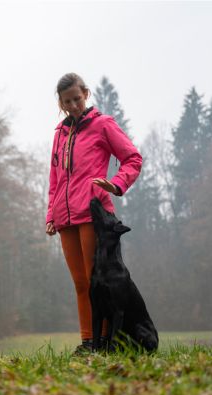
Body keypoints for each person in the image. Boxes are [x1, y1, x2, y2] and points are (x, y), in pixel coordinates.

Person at [45, 73, 142, 353]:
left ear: (86, 94)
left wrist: (117, 183)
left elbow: (133, 158)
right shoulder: (60, 134)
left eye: (77, 98)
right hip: (65, 219)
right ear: (60, 104)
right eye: (67, 102)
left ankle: (107, 341)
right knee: (80, 284)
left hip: (93, 214)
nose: (73, 105)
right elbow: (54, 177)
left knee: (97, 281)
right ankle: (88, 342)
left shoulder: (103, 125)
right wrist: (51, 214)